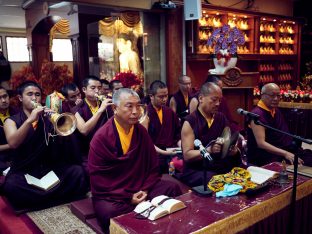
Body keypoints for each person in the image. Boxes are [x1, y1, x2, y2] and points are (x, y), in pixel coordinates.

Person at [88, 88, 182, 233]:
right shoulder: (101, 138)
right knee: (109, 213)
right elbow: (99, 179)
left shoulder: (141, 132)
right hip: (115, 194)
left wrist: (144, 189)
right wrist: (128, 196)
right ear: (114, 108)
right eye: (129, 106)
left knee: (172, 188)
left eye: (138, 106)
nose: (135, 111)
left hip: (142, 187)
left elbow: (152, 166)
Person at [2, 81, 88, 212]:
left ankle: (38, 200)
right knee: (11, 186)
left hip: (48, 168)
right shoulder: (11, 121)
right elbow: (13, 143)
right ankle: (55, 198)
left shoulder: (47, 117)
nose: (34, 98)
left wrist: (56, 126)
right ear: (20, 98)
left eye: (37, 95)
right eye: (29, 94)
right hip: (24, 171)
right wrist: (30, 120)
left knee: (77, 172)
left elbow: (61, 145)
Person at [180, 82, 241, 187]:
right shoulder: (190, 122)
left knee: (239, 174)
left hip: (218, 165)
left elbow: (227, 139)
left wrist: (232, 150)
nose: (218, 104)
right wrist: (209, 150)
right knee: (216, 180)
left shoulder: (221, 118)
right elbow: (187, 155)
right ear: (201, 98)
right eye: (214, 100)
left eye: (219, 100)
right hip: (197, 170)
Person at [247, 83, 312, 166]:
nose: (276, 99)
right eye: (272, 95)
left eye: (278, 95)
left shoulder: (274, 110)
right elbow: (261, 143)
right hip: (267, 154)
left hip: (283, 149)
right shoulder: (257, 115)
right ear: (262, 95)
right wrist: (285, 153)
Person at [75, 76, 113, 174]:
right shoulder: (77, 108)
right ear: (84, 90)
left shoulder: (106, 104)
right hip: (88, 153)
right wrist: (101, 110)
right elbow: (84, 130)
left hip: (107, 150)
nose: (97, 91)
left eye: (99, 88)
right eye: (93, 88)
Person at [141, 80, 181, 173]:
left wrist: (181, 147)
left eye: (166, 96)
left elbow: (177, 133)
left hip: (171, 154)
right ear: (151, 96)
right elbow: (146, 141)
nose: (164, 99)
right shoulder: (145, 114)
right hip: (154, 156)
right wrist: (165, 153)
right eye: (161, 97)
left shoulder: (169, 112)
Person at [0, 87, 18, 171]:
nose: (3, 100)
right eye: (0, 98)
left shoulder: (17, 112)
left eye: (5, 96)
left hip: (17, 153)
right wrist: (12, 144)